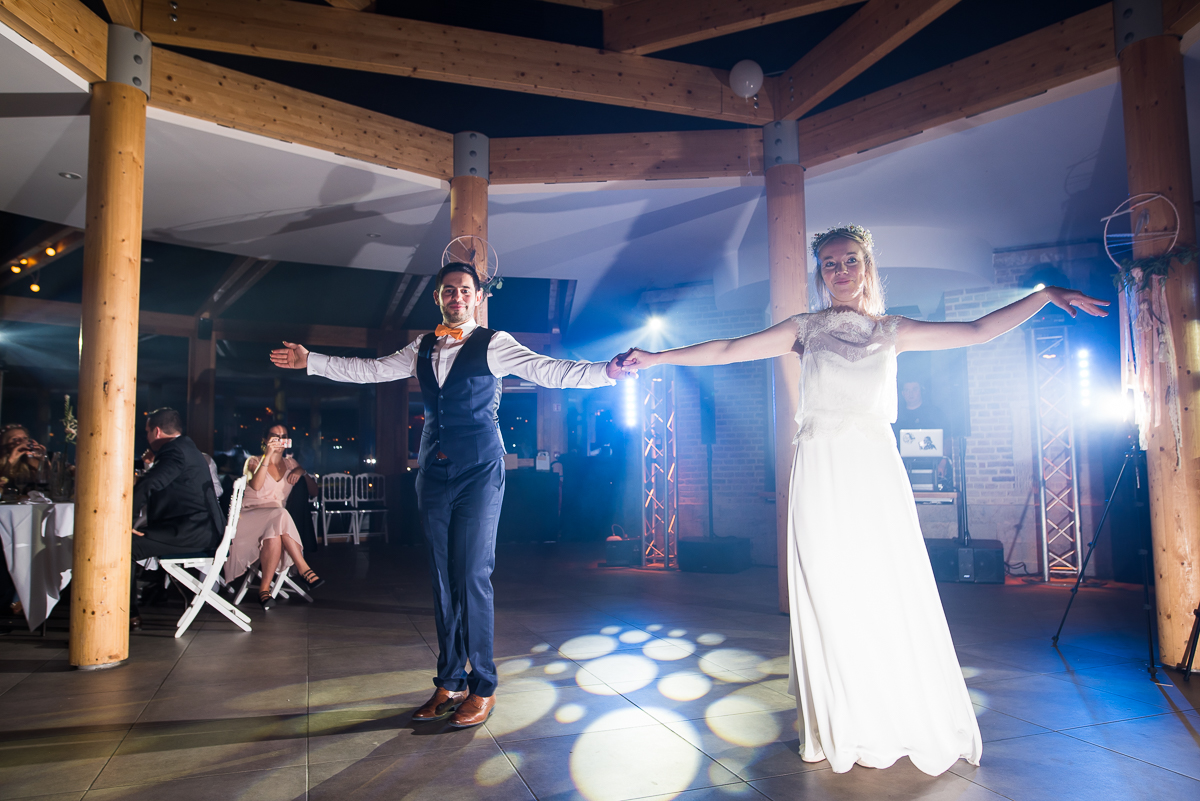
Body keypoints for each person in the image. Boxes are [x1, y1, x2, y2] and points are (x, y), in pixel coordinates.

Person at [620, 224, 1108, 776]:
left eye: (850, 260)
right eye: (830, 264)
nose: (841, 272)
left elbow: (976, 329)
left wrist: (1043, 297)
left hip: (874, 468)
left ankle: (894, 712)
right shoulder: (805, 329)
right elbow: (731, 349)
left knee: (885, 585)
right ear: (821, 274)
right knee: (830, 590)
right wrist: (658, 359)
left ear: (867, 266)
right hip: (822, 467)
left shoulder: (892, 330)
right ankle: (840, 721)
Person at [270, 261, 633, 728]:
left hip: (480, 470)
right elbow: (371, 370)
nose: (456, 297)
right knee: (442, 579)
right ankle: (449, 681)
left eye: (464, 290)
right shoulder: (422, 346)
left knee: (472, 576)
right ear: (438, 298)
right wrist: (312, 361)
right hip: (433, 473)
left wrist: (607, 371)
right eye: (448, 291)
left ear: (478, 297)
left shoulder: (495, 344)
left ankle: (483, 685)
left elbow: (550, 371)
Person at [130, 408, 225, 628]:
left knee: (125, 544)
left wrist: (125, 521)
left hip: (194, 531)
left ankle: (128, 614)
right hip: (198, 528)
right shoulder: (186, 447)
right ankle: (130, 611)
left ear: (156, 431)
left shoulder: (175, 451)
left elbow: (150, 483)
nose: (147, 438)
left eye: (146, 433)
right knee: (133, 541)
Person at [226, 424, 323, 609]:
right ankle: (303, 568)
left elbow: (314, 492)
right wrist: (268, 456)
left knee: (275, 532)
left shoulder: (291, 464)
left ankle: (264, 590)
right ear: (265, 439)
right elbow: (255, 485)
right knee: (280, 514)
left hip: (275, 520)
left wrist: (301, 471)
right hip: (249, 517)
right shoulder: (253, 461)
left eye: (283, 436)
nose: (279, 439)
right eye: (275, 436)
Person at [0, 424, 46, 491]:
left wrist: (43, 460)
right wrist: (11, 460)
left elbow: (49, 484)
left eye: (25, 438)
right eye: (15, 439)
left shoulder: (30, 459)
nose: (22, 441)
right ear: (4, 444)